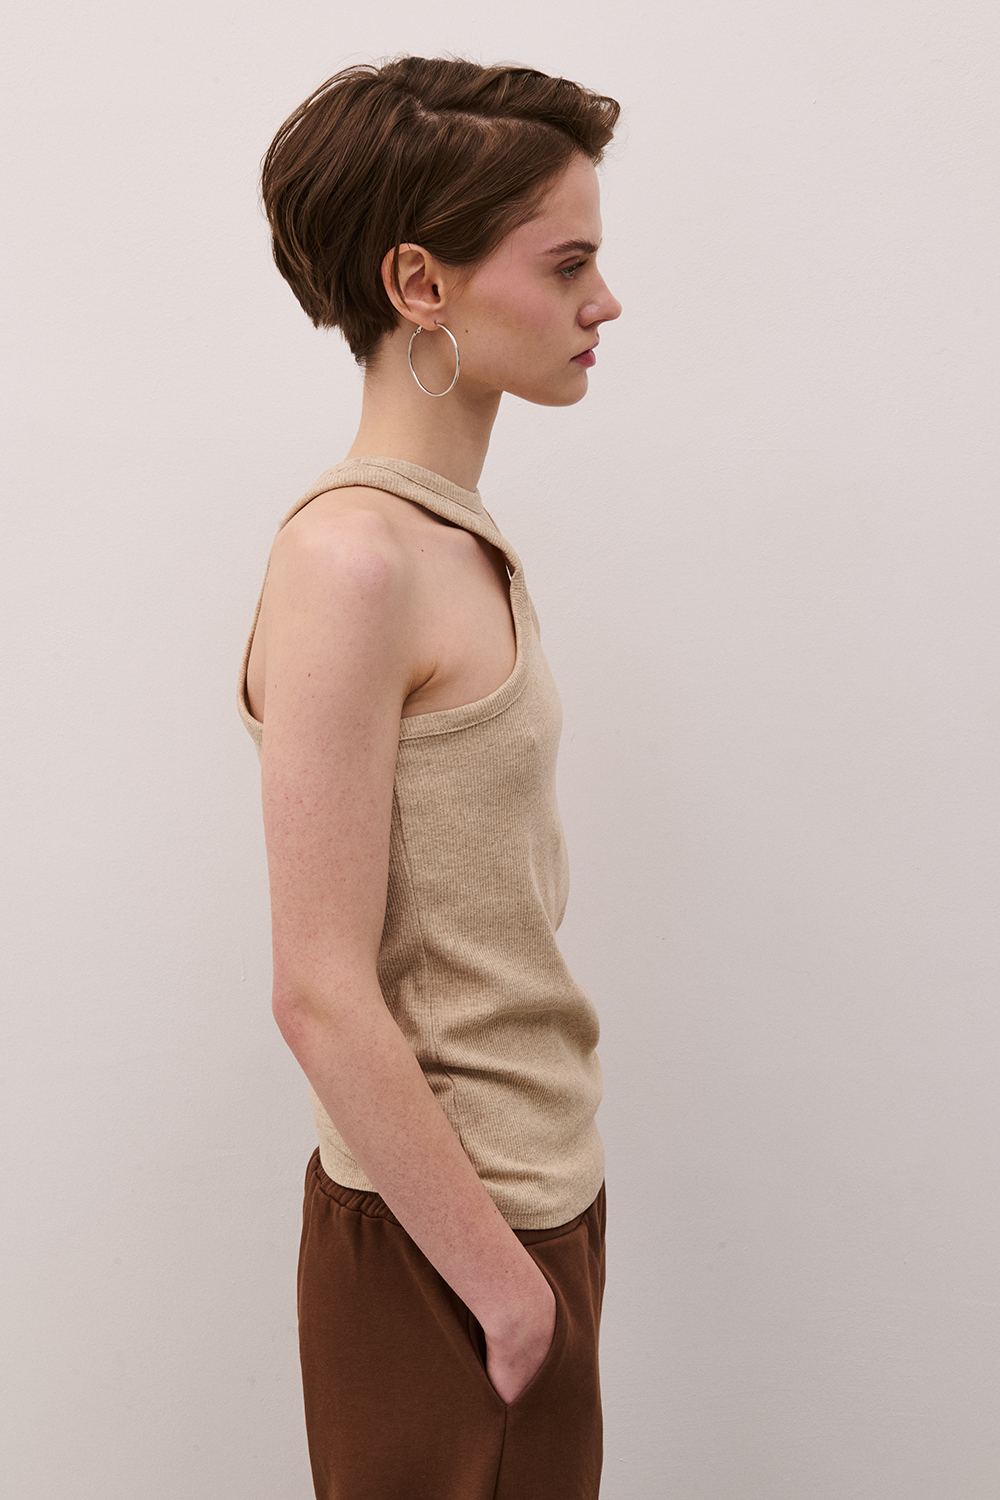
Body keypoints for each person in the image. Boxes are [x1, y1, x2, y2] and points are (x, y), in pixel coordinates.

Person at [238, 54, 623, 1500]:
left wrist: (542, 1263)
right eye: (567, 264)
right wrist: (504, 1293)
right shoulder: (351, 562)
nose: (605, 302)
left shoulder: (453, 538)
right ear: (420, 284)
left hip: (527, 1206)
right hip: (446, 1250)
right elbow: (318, 988)